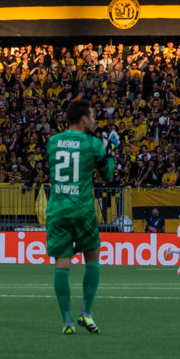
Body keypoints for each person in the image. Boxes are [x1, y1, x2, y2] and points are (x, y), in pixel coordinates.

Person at [46, 98, 115, 334]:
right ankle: (86, 313)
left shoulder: (53, 141)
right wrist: (109, 153)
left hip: (57, 210)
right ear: (84, 119)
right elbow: (107, 175)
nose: (95, 121)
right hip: (83, 210)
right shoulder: (93, 143)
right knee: (92, 258)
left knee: (62, 264)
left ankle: (67, 322)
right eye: (93, 116)